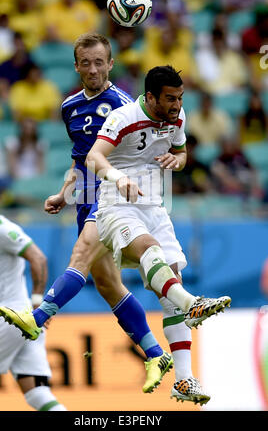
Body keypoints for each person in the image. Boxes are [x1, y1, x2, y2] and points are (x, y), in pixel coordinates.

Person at [0, 35, 212, 403]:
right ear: (77, 65)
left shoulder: (123, 105)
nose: (94, 69)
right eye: (86, 62)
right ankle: (156, 355)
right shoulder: (69, 108)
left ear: (110, 64)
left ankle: (37, 318)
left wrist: (148, 177)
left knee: (80, 256)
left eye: (100, 62)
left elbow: (147, 151)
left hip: (115, 197)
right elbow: (80, 159)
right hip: (86, 196)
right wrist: (63, 194)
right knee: (107, 284)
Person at [85, 65, 231, 401]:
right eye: (169, 98)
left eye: (180, 98)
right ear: (150, 97)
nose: (177, 104)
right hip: (115, 207)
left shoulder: (178, 118)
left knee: (170, 283)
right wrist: (117, 177)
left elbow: (181, 153)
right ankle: (193, 303)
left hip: (154, 209)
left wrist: (175, 161)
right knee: (151, 251)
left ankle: (183, 379)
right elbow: (94, 156)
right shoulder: (123, 117)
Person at [0, 176, 66, 411]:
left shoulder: (4, 229)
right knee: (36, 393)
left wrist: (38, 303)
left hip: (8, 316)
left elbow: (38, 258)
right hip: (24, 322)